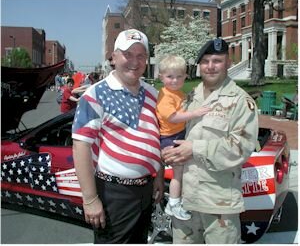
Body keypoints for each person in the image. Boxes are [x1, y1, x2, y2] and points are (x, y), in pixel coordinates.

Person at [161, 38, 259, 244]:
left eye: (217, 60)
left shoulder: (240, 101)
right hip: (186, 203)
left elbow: (242, 148)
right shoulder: (189, 97)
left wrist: (194, 149)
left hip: (219, 205)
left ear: (228, 62)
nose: (210, 66)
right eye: (205, 61)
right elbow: (171, 130)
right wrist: (167, 150)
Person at [72, 29, 164, 244]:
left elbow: (155, 138)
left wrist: (158, 175)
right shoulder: (95, 95)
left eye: (141, 55)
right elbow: (81, 147)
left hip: (146, 190)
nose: (135, 61)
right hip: (113, 194)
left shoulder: (153, 94)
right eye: (128, 54)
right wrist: (90, 199)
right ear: (114, 57)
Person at [156, 55, 211, 221]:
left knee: (183, 172)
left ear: (186, 76)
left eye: (179, 76)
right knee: (178, 173)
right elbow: (172, 117)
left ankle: (177, 201)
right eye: (170, 77)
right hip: (170, 138)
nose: (175, 80)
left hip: (178, 134)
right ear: (161, 77)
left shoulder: (177, 93)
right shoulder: (165, 95)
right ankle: (173, 204)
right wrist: (194, 114)